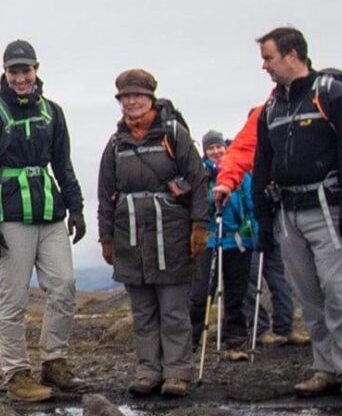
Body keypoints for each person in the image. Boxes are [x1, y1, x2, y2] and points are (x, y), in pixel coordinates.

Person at [250, 28, 342, 400]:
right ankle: (325, 367)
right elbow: (262, 162)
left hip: (327, 206)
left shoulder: (332, 94)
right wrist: (263, 215)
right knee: (308, 294)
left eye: (269, 57)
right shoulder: (272, 107)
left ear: (292, 54)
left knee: (338, 291)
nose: (264, 66)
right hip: (289, 210)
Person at [0, 40, 85, 403]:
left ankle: (54, 361)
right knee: (13, 298)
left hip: (50, 213)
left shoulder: (53, 112)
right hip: (9, 217)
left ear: (36, 69)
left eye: (26, 70)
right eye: (14, 71)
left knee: (64, 284)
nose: (21, 77)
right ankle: (16, 373)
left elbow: (62, 163)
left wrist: (76, 206)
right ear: (5, 72)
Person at [98, 69, 208, 398]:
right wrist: (106, 237)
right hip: (130, 237)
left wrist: (199, 225)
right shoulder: (116, 144)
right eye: (125, 97)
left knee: (173, 307)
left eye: (137, 96)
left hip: (170, 235)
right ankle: (148, 370)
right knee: (143, 310)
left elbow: (199, 180)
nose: (131, 101)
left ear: (151, 98)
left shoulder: (173, 135)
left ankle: (177, 371)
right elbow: (105, 193)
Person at [210, 108, 305, 347]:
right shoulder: (241, 162)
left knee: (278, 278)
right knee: (249, 283)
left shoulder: (276, 152)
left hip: (271, 225)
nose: (216, 151)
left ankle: (285, 327)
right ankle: (261, 329)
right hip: (248, 232)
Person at [190, 130, 255, 361]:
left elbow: (252, 205)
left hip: (237, 240)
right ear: (205, 152)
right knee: (200, 293)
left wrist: (252, 231)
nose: (216, 151)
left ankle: (234, 342)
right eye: (211, 148)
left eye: (219, 147)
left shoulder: (242, 175)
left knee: (236, 294)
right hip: (209, 240)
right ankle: (190, 344)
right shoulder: (200, 176)